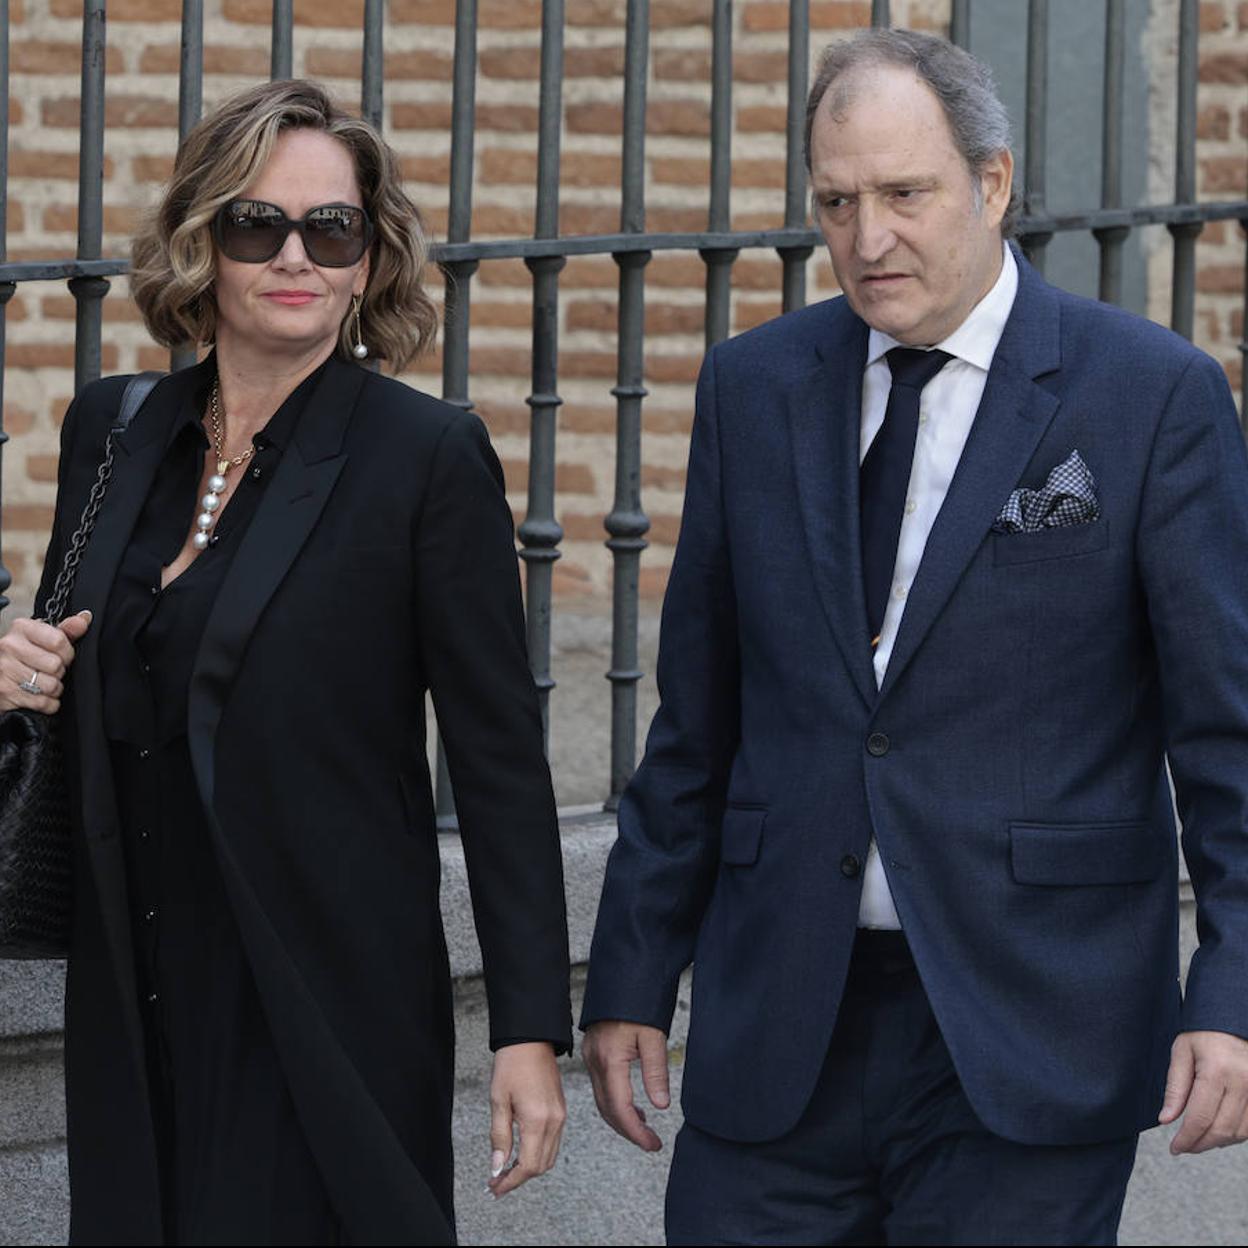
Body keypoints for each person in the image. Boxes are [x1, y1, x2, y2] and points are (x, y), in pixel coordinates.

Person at [580, 28, 1248, 1246]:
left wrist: (1235, 991)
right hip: (783, 1023)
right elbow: (698, 724)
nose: (867, 238)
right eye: (837, 202)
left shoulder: (1149, 396)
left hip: (1033, 1029)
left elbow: (1228, 738)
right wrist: (630, 971)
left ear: (993, 183)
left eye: (904, 194)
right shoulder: (753, 387)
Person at [0, 79, 571, 1245]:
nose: (296, 256)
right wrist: (21, 674)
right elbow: (75, 670)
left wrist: (527, 1029)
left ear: (369, 260)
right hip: (132, 987)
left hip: (327, 996)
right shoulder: (113, 430)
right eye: (257, 225)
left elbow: (501, 765)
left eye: (332, 229)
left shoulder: (425, 458)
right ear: (203, 245)